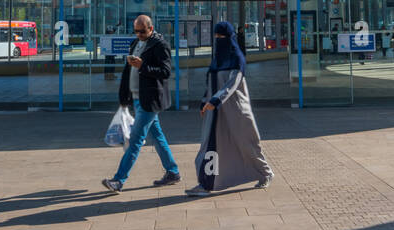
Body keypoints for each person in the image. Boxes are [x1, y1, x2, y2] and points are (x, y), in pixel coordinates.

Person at [187, 20, 272, 197]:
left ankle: (265, 173)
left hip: (236, 110)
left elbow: (233, 83)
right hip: (216, 112)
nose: (218, 39)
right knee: (209, 147)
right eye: (216, 36)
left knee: (248, 145)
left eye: (221, 36)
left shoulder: (237, 58)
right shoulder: (217, 59)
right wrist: (205, 102)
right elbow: (210, 83)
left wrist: (215, 100)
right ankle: (205, 183)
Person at [103, 14, 181, 192]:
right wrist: (124, 96)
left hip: (150, 100)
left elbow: (166, 71)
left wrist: (143, 66)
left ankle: (118, 180)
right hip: (137, 98)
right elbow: (127, 71)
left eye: (142, 31)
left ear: (151, 29)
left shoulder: (160, 45)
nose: (138, 34)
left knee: (135, 140)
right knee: (158, 137)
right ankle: (173, 171)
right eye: (136, 31)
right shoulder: (135, 43)